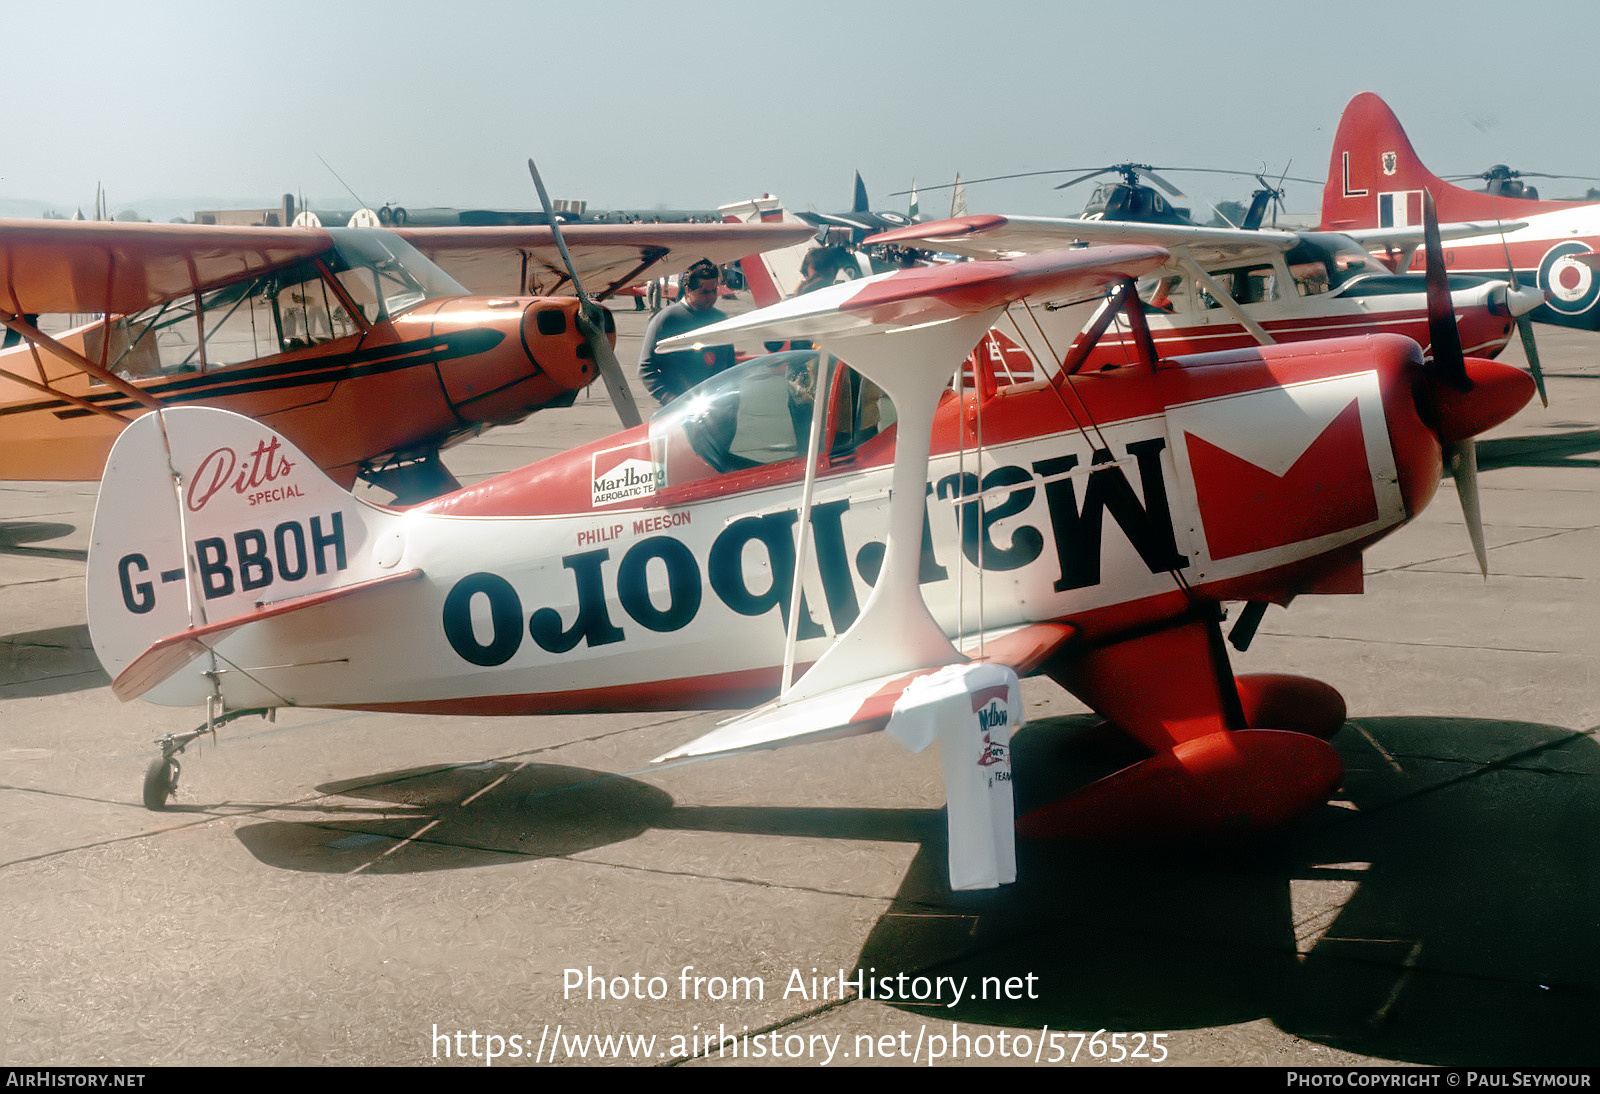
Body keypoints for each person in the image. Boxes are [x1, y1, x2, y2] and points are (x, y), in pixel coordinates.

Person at [638, 259, 734, 404]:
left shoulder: (720, 319)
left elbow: (730, 365)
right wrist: (670, 400)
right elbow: (645, 368)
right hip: (680, 412)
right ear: (688, 290)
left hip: (719, 409)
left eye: (714, 291)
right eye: (705, 292)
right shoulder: (666, 320)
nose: (711, 297)